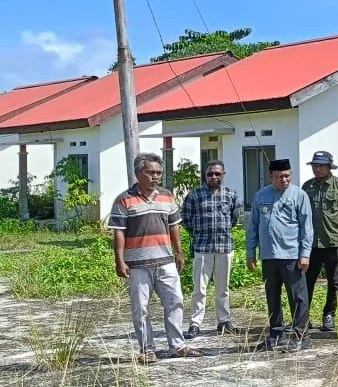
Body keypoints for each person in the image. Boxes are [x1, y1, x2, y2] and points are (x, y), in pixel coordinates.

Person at [108, 153, 203, 363]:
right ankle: (147, 349)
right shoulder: (124, 199)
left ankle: (177, 346)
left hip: (165, 260)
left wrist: (179, 252)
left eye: (158, 173)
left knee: (175, 301)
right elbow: (119, 232)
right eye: (150, 172)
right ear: (138, 173)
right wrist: (119, 260)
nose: (155, 177)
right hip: (137, 264)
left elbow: (174, 226)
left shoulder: (167, 196)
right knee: (140, 308)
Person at [247, 158, 313, 352]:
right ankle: (276, 335)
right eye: (279, 176)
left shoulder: (299, 195)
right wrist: (251, 252)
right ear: (271, 176)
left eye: (287, 176)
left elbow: (306, 228)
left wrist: (305, 254)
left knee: (297, 297)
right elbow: (253, 226)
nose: (284, 180)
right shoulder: (261, 196)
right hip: (269, 256)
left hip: (292, 255)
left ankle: (302, 336)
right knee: (272, 296)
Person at [182, 160, 244, 339]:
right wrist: (199, 233)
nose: (214, 177)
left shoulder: (231, 195)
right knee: (199, 288)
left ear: (223, 174)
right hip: (202, 247)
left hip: (225, 247)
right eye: (210, 174)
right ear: (205, 175)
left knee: (223, 288)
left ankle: (224, 321)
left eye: (217, 173)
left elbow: (234, 219)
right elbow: (186, 219)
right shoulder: (194, 195)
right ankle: (195, 323)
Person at [302, 150, 338, 333]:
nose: (318, 168)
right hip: (312, 243)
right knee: (307, 281)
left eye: (321, 165)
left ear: (329, 166)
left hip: (334, 242)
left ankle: (329, 314)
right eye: (315, 165)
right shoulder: (307, 187)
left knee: (335, 281)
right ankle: (303, 316)